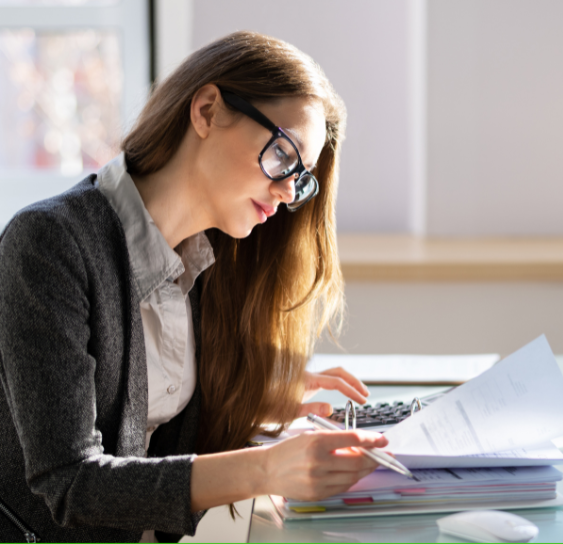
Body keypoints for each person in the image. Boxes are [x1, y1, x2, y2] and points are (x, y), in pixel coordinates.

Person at [0, 31, 387, 542]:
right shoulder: (49, 243)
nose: (288, 189)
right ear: (206, 110)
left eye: (302, 178)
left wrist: (252, 397)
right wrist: (266, 467)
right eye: (284, 155)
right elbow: (71, 483)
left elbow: (139, 417)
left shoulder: (212, 261)